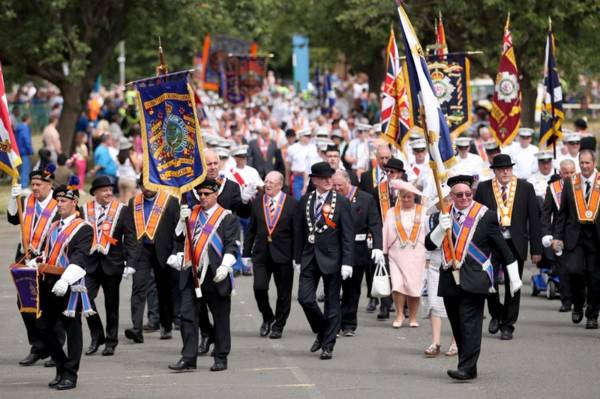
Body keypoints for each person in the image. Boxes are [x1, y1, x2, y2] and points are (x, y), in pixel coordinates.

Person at [425, 175, 518, 381]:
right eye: (459, 195)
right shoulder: (443, 214)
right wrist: (441, 228)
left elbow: (501, 247)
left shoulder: (485, 215)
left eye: (468, 194)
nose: (465, 198)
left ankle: (466, 368)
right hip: (450, 277)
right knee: (457, 324)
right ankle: (469, 365)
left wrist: (513, 274)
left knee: (470, 323)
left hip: (476, 278)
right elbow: (429, 245)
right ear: (451, 196)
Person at [168, 178, 239, 372]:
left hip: (215, 275)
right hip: (192, 273)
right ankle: (188, 357)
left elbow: (232, 245)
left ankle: (221, 356)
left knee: (221, 317)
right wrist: (182, 223)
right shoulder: (192, 214)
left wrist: (225, 266)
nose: (203, 197)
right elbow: (179, 239)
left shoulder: (226, 217)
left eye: (207, 194)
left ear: (216, 194)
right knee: (188, 316)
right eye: (200, 194)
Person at [33, 176, 94, 390]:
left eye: (63, 201)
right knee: (43, 327)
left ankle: (71, 373)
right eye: (57, 201)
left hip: (70, 285)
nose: (59, 204)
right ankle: (61, 364)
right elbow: (49, 253)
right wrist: (38, 260)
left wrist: (65, 280)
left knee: (72, 328)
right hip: (49, 282)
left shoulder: (83, 228)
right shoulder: (54, 226)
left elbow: (79, 258)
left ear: (74, 202)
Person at [474, 154, 542, 340]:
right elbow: (477, 217)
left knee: (514, 283)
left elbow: (534, 220)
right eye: (501, 168)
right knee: (489, 282)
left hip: (515, 243)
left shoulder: (525, 188)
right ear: (494, 171)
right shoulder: (484, 187)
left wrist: (536, 249)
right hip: (491, 243)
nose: (505, 171)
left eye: (508, 168)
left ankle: (508, 325)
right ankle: (496, 314)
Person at [294, 162, 354, 360]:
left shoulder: (342, 202)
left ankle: (328, 345)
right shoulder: (305, 200)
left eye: (330, 177)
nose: (329, 181)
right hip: (310, 256)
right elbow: (299, 232)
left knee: (332, 305)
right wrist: (297, 259)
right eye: (324, 178)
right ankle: (322, 330)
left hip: (333, 258)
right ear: (314, 180)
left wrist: (347, 261)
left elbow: (347, 234)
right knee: (305, 298)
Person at [7, 165, 64, 367]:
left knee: (50, 304)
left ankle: (55, 347)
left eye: (39, 184)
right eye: (32, 184)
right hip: (25, 259)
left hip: (49, 260)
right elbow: (13, 219)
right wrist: (13, 200)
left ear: (49, 185)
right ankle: (38, 346)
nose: (35, 188)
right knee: (25, 303)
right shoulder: (27, 201)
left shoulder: (60, 204)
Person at [123, 177, 181, 343]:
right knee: (138, 288)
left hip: (163, 251)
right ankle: (136, 329)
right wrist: (129, 259)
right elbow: (130, 231)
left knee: (164, 290)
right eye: (143, 185)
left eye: (149, 184)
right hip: (142, 252)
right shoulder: (134, 203)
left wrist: (176, 252)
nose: (146, 188)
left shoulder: (170, 202)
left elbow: (177, 231)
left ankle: (166, 326)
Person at [82, 176, 134, 356]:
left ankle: (111, 341)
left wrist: (130, 261)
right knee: (85, 299)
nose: (108, 193)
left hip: (113, 263)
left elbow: (130, 237)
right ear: (95, 193)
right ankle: (97, 335)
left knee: (112, 305)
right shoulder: (85, 210)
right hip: (89, 264)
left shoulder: (121, 210)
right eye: (104, 190)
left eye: (110, 189)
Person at [243, 171, 297, 339]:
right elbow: (250, 230)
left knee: (283, 294)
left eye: (272, 183)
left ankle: (278, 325)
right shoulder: (258, 203)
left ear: (280, 185)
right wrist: (246, 253)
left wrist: (297, 257)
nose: (267, 185)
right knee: (259, 287)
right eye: (266, 181)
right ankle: (267, 317)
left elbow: (297, 233)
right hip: (261, 255)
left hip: (284, 256)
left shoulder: (292, 204)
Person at [332, 170, 383, 336]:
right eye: (335, 185)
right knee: (333, 288)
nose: (337, 188)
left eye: (340, 185)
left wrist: (377, 246)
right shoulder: (331, 198)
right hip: (335, 249)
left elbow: (375, 224)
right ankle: (334, 322)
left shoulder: (366, 199)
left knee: (352, 290)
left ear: (348, 182)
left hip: (357, 248)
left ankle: (348, 324)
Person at [554, 149, 600, 329]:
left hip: (596, 238)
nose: (584, 166)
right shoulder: (570, 182)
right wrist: (557, 237)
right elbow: (562, 213)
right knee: (574, 272)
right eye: (582, 163)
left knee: (595, 278)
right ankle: (578, 305)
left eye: (588, 163)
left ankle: (592, 315)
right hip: (575, 237)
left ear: (594, 163)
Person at [360, 153, 404, 319]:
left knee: (403, 272)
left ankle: (404, 305)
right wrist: (372, 233)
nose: (390, 174)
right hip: (384, 235)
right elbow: (373, 215)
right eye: (388, 171)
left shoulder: (408, 189)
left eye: (394, 172)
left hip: (404, 237)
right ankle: (385, 305)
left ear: (400, 173)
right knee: (384, 269)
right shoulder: (378, 190)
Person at [383, 180, 426, 328]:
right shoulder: (391, 212)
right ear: (399, 197)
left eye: (409, 196)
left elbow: (428, 233)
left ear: (414, 197)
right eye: (404, 197)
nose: (406, 199)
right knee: (397, 285)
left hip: (417, 254)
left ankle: (413, 317)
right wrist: (384, 252)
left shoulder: (423, 211)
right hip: (396, 253)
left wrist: (429, 256)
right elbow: (386, 231)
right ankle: (399, 314)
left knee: (414, 287)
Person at [422, 186, 457, 357]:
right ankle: (435, 342)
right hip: (435, 265)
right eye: (444, 200)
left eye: (449, 199)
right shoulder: (429, 219)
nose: (447, 203)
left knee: (456, 305)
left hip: (455, 264)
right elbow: (427, 244)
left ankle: (456, 341)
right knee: (434, 304)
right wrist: (426, 266)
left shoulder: (460, 217)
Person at [541, 159, 576, 313]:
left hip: (578, 234)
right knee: (562, 268)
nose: (568, 175)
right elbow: (546, 213)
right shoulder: (553, 189)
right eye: (565, 172)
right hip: (559, 234)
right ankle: (566, 301)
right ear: (560, 173)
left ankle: (580, 299)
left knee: (578, 268)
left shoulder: (582, 186)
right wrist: (547, 234)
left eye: (571, 172)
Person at [286, 128, 319, 200]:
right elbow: (288, 165)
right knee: (298, 200)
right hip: (298, 177)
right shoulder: (292, 148)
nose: (308, 138)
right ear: (300, 136)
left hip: (312, 178)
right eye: (306, 136)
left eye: (309, 136)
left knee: (311, 200)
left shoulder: (313, 147)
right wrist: (287, 180)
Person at [14, 114, 34, 187]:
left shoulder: (18, 128)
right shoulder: (25, 128)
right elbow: (26, 140)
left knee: (21, 169)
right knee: (25, 169)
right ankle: (24, 186)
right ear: (27, 119)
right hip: (25, 152)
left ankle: (20, 184)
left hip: (19, 151)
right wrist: (30, 151)